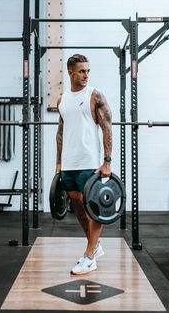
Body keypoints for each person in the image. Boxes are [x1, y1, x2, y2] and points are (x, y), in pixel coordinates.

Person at [55, 54, 112, 275]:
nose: (86, 75)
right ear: (70, 72)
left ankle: (89, 257)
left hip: (90, 161)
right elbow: (60, 132)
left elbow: (107, 126)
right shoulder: (63, 99)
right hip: (69, 163)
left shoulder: (94, 95)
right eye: (81, 71)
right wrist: (58, 162)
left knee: (94, 208)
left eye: (88, 70)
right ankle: (95, 245)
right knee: (78, 206)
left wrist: (106, 161)